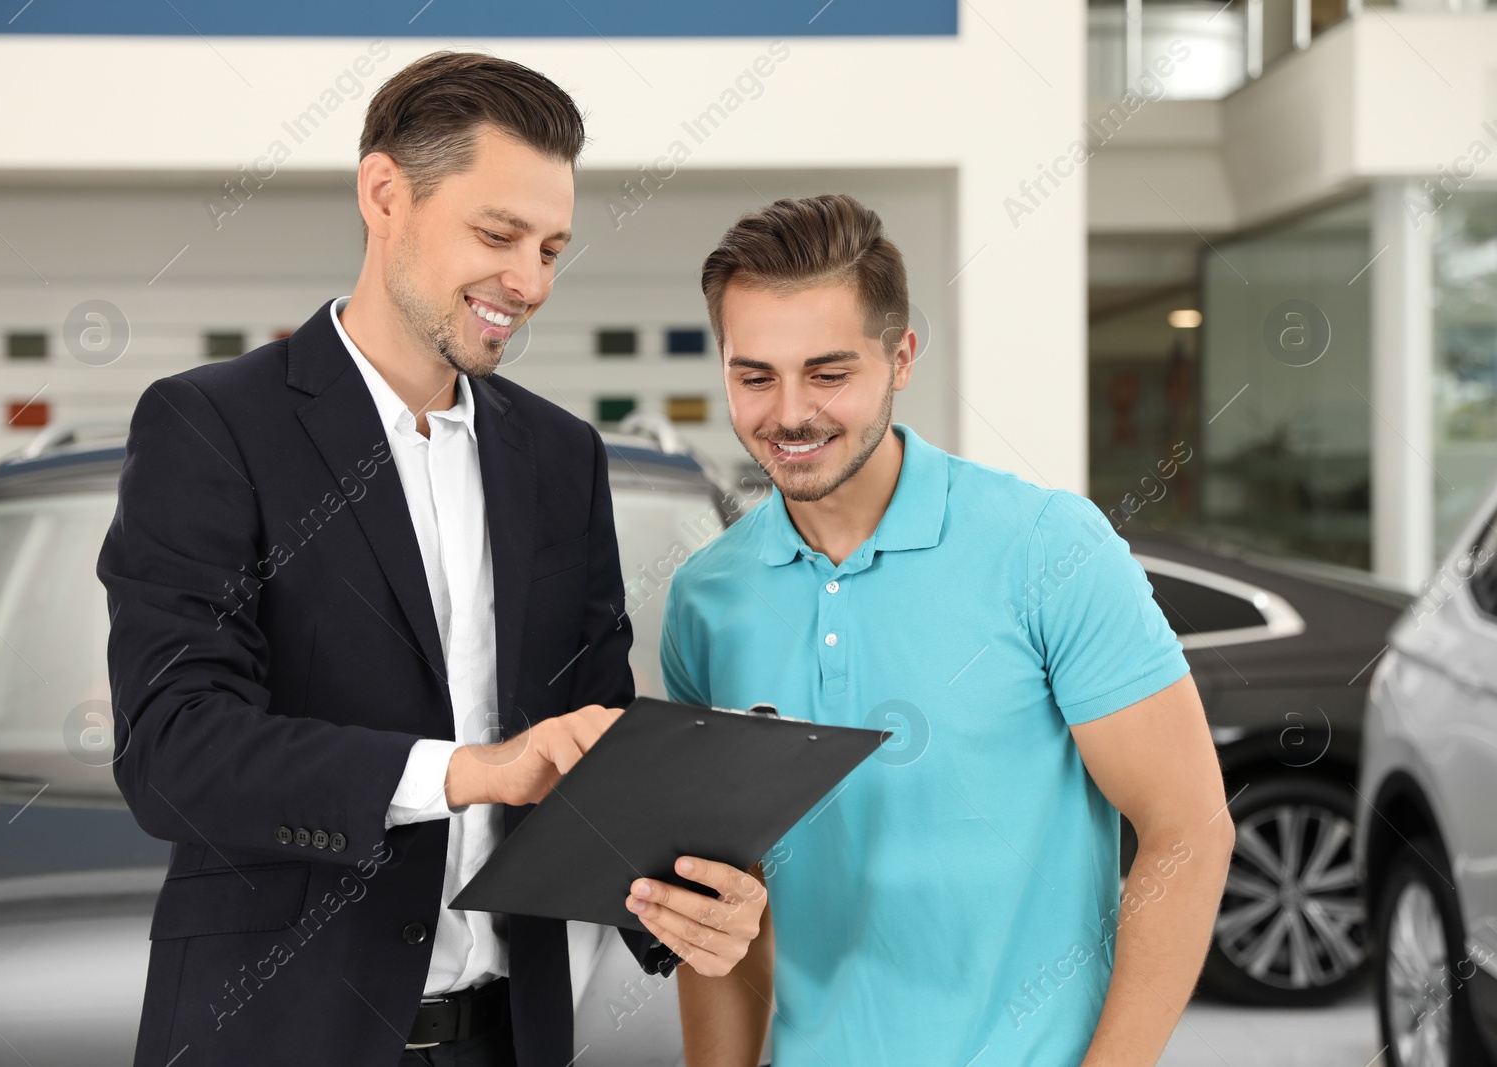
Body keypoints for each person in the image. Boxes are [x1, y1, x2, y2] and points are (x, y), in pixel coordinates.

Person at [96, 51, 765, 1067]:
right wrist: (460, 772)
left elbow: (591, 742)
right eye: (497, 235)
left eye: (551, 247)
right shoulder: (213, 426)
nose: (530, 282)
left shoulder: (559, 455)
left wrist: (683, 896)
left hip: (508, 1037)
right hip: (278, 1036)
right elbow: (177, 751)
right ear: (383, 194)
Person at [655, 194, 1234, 1066]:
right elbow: (721, 904)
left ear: (901, 357)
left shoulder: (1047, 547)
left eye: (829, 372)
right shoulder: (707, 599)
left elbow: (1188, 829)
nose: (789, 413)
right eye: (754, 375)